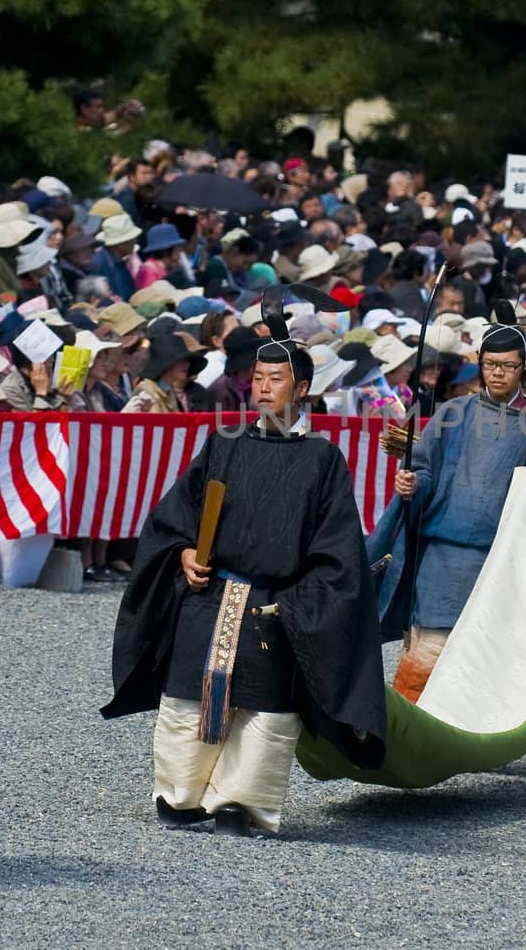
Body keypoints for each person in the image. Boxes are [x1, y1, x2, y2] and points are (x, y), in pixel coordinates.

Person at [101, 317, 386, 835]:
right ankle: (179, 793)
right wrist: (185, 554)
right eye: (257, 377)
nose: (263, 387)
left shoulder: (323, 459)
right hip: (210, 592)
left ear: (302, 389)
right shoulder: (225, 444)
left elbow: (337, 548)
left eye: (275, 379)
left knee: (265, 709)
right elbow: (177, 514)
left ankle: (242, 801)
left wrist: (300, 603)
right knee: (188, 695)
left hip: (276, 602)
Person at [379, 301, 526, 701]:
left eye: (509, 366)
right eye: (491, 364)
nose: (498, 373)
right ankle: (409, 736)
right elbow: (426, 470)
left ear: (524, 368)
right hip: (443, 558)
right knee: (426, 652)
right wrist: (413, 484)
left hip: (500, 561)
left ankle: (467, 740)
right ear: (480, 363)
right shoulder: (451, 413)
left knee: (484, 656)